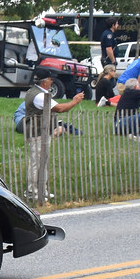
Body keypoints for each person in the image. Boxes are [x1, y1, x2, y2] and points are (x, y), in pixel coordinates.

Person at [22, 69, 84, 200]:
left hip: (42, 132)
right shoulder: (39, 96)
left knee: (42, 162)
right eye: (50, 79)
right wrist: (75, 101)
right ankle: (32, 192)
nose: (52, 81)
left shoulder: (39, 92)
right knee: (36, 162)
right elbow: (60, 108)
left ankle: (41, 191)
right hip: (37, 132)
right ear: (44, 82)